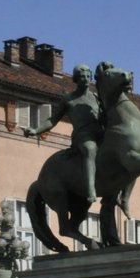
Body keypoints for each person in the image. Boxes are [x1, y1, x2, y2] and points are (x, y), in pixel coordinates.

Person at [26, 63, 102, 201]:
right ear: (76, 79)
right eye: (82, 77)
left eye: (88, 76)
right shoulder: (68, 99)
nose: (86, 79)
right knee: (90, 149)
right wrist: (36, 130)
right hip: (83, 135)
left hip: (100, 132)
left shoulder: (97, 97)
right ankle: (91, 188)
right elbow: (52, 120)